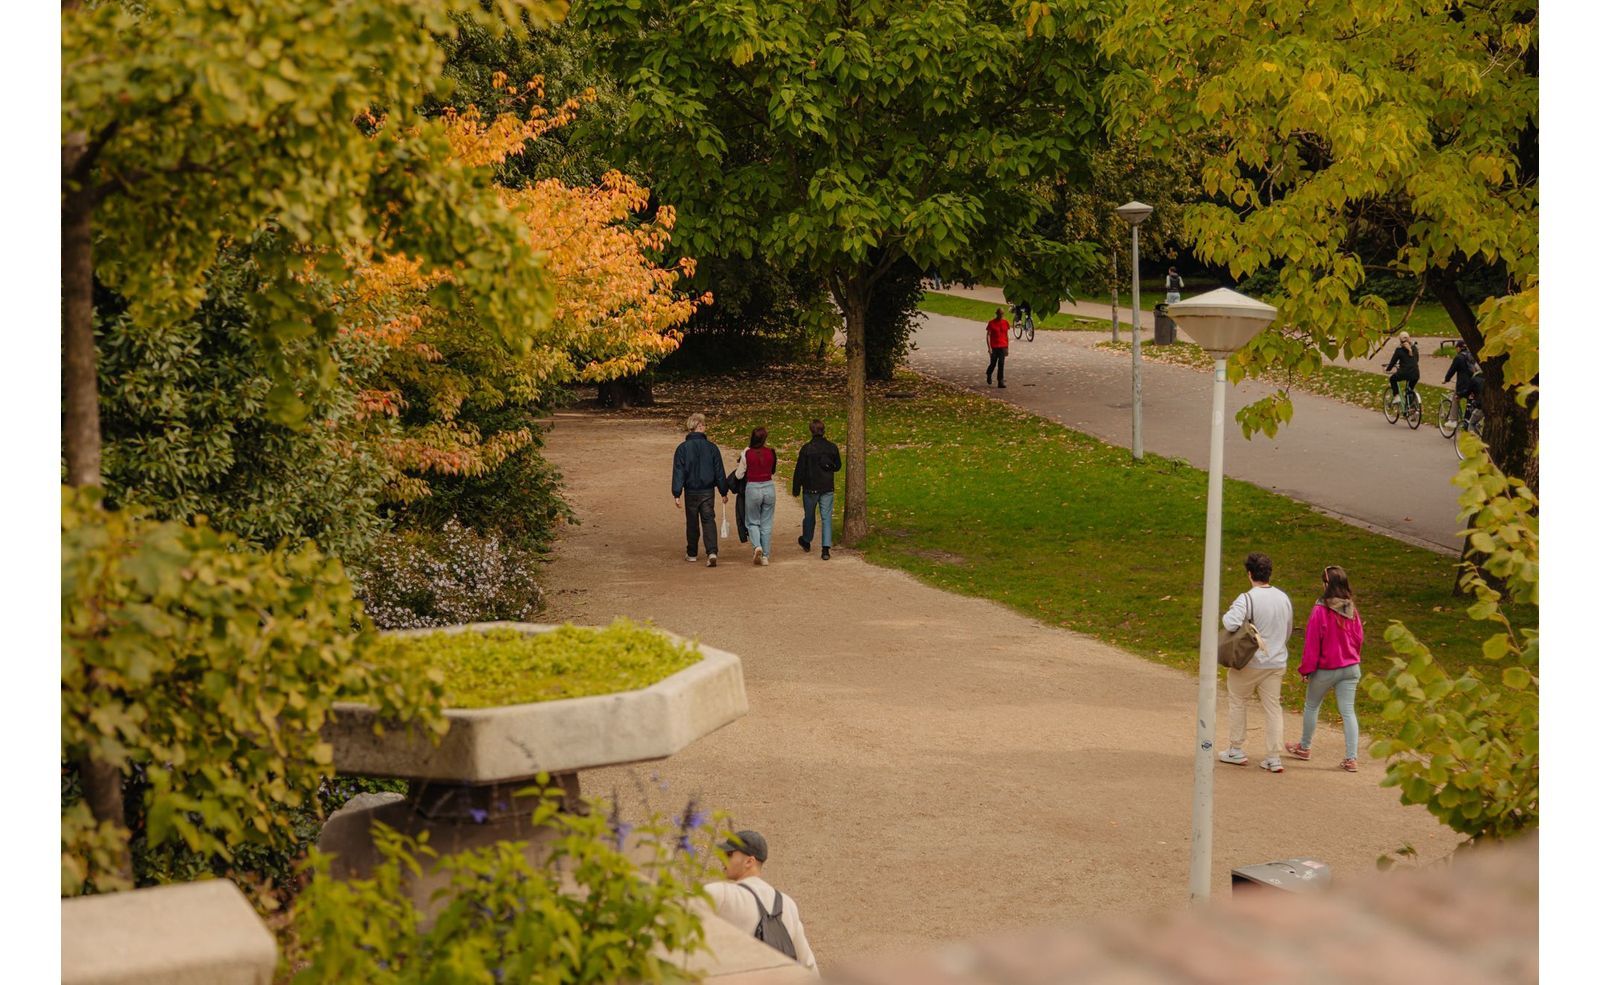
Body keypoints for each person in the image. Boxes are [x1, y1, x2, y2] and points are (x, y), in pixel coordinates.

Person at [1218, 552, 1295, 773]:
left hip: (1250, 661)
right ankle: (1273, 757)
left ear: (1250, 574)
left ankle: (1236, 748)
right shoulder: (1283, 598)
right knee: (1273, 708)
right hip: (1276, 661)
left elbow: (1230, 622)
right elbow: (1288, 629)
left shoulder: (1247, 598)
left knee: (1238, 700)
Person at [704, 830, 819, 975]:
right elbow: (808, 965)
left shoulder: (721, 894)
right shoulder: (787, 904)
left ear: (749, 861)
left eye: (729, 854)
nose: (722, 859)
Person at [1286, 565, 1364, 773]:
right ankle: (1351, 758)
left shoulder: (1320, 610)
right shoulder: (1351, 609)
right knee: (1348, 712)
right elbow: (1359, 639)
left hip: (1327, 668)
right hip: (1351, 667)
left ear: (1326, 584)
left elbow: (1312, 644)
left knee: (1312, 706)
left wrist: (1306, 669)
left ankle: (1304, 746)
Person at [671, 413, 729, 567]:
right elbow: (719, 472)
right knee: (708, 519)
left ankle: (692, 552)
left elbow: (679, 472)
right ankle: (712, 551)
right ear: (700, 427)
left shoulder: (682, 449)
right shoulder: (712, 448)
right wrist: (723, 491)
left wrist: (677, 493)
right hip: (707, 490)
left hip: (691, 491)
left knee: (692, 522)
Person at [792, 418, 842, 561]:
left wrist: (796, 487)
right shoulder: (832, 447)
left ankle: (807, 539)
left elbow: (799, 470)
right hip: (827, 487)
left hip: (810, 488)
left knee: (809, 516)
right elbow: (838, 466)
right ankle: (825, 549)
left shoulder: (807, 449)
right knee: (826, 518)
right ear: (823, 430)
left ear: (811, 431)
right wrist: (828, 465)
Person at [740, 426, 778, 566]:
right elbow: (772, 470)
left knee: (752, 521)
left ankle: (757, 546)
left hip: (753, 487)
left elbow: (739, 473)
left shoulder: (747, 453)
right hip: (769, 486)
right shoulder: (771, 452)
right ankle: (766, 555)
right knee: (766, 522)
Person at [1442, 342, 1484, 417]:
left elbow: (1452, 370)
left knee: (1455, 397)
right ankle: (1467, 420)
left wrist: (1446, 379)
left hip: (1463, 385)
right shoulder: (1471, 355)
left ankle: (1452, 420)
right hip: (1474, 383)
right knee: (1471, 401)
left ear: (1458, 348)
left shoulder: (1459, 357)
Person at [1385, 330, 1421, 397]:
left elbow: (1393, 362)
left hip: (1404, 373)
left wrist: (1388, 369)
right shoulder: (1414, 348)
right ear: (1409, 338)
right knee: (1410, 390)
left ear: (1400, 340)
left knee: (1392, 379)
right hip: (1415, 374)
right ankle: (1411, 404)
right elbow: (1417, 360)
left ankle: (1396, 396)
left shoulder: (1399, 350)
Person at [984, 307, 1010, 388]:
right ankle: (989, 373)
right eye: (999, 314)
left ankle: (1000, 381)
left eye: (1002, 314)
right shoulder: (991, 323)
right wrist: (989, 348)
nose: (1001, 315)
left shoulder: (1006, 322)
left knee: (1001, 364)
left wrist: (1007, 347)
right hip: (994, 347)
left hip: (1003, 346)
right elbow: (988, 335)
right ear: (997, 314)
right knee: (993, 363)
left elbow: (1006, 335)